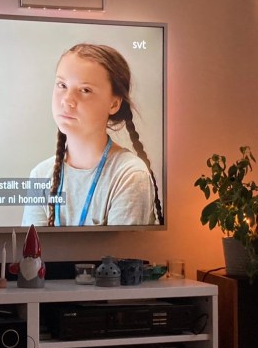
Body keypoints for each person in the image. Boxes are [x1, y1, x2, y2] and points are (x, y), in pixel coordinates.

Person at [22, 43, 163, 227]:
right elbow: (32, 246)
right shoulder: (40, 175)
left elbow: (121, 247)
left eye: (85, 90)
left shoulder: (129, 175)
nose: (67, 100)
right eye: (62, 85)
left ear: (114, 104)